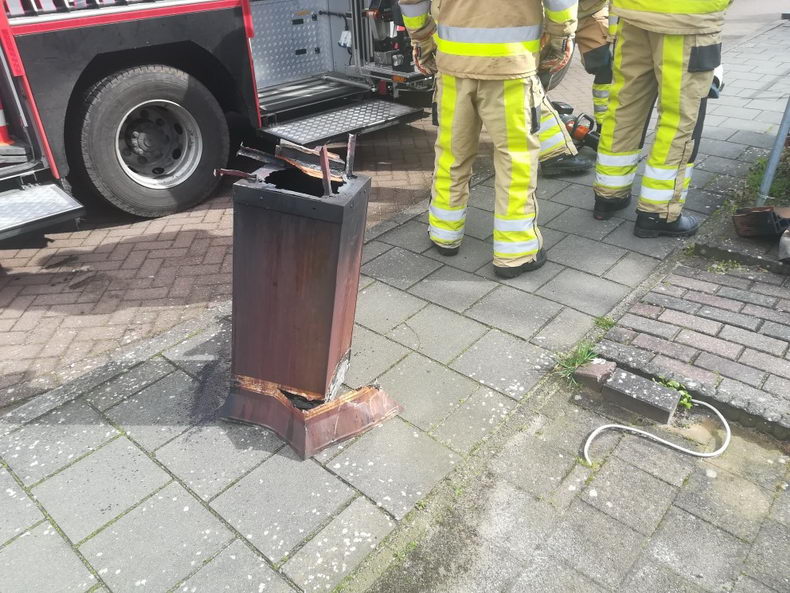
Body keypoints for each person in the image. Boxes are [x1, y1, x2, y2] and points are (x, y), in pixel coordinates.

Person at [399, 0, 578, 278]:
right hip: (511, 67)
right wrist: (559, 38)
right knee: (515, 161)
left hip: (454, 67)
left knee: (452, 154)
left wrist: (421, 38)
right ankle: (515, 252)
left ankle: (444, 234)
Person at [591, 0, 732, 237]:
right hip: (687, 18)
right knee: (678, 116)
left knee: (624, 107)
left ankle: (608, 195)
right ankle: (658, 213)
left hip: (633, 13)